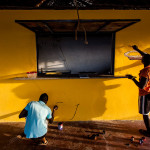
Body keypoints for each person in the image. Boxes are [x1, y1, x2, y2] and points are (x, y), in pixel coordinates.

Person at [126, 45, 150, 136]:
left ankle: (149, 131)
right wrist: (137, 49)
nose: (141, 59)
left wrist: (132, 78)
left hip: (145, 94)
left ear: (145, 61)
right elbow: (146, 56)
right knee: (148, 112)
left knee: (145, 113)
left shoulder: (145, 71)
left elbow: (141, 86)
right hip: (149, 93)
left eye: (142, 58)